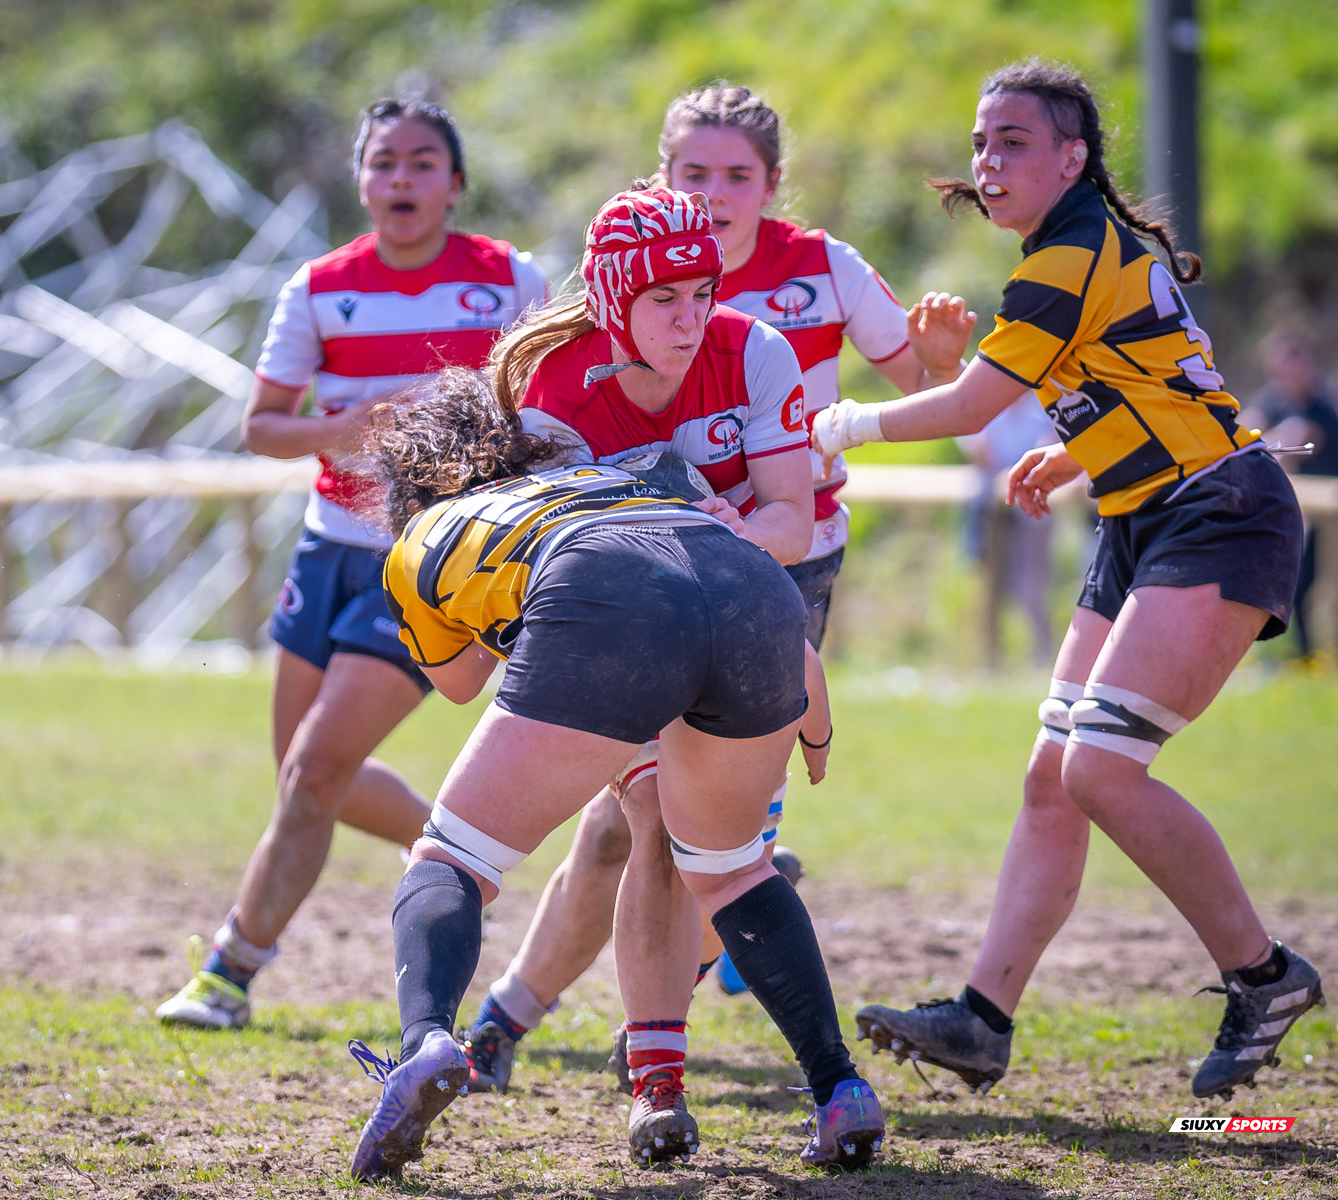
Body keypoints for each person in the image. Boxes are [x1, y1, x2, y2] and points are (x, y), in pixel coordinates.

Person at [810, 58, 1322, 1100]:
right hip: (1147, 515)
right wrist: (1084, 454)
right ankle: (983, 1021)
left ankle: (1265, 975)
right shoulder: (1085, 244)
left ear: (1072, 158)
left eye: (1014, 143)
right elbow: (1166, 371)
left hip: (1218, 515)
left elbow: (964, 408)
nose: (988, 162)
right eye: (980, 143)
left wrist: (835, 427)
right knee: (1055, 775)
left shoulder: (1070, 255)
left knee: (1098, 771)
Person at [460, 81, 979, 1088]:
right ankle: (567, 1027)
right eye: (695, 174)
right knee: (638, 822)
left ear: (773, 187)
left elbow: (926, 388)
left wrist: (935, 368)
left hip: (785, 566)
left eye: (739, 175)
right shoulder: (607, 308)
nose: (718, 192)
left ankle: (616, 1026)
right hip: (654, 580)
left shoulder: (816, 273)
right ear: (664, 183)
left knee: (681, 831)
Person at [345, 365, 882, 1182]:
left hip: (603, 596)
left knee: (452, 855)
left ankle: (424, 1045)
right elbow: (739, 584)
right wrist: (815, 720)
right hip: (758, 594)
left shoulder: (425, 535)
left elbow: (458, 683)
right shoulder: (611, 475)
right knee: (735, 872)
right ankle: (839, 1090)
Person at [156, 98, 547, 1030]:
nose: (401, 179)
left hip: (431, 561)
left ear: (456, 184)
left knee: (314, 772)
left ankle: (229, 970)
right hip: (328, 547)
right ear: (361, 180)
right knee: (305, 774)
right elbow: (261, 425)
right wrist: (336, 428)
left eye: (422, 163)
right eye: (383, 163)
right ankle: (458, 859)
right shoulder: (321, 287)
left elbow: (549, 403)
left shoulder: (508, 282)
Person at [1241, 325, 1338, 659]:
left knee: (1320, 589)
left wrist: (1272, 439)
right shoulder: (1276, 398)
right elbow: (1247, 427)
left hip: (1330, 514)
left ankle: (1317, 657)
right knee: (1298, 585)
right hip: (1300, 510)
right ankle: (1305, 656)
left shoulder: (1323, 406)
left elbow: (1302, 438)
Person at [959, 392, 1058, 667]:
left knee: (1033, 588)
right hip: (992, 517)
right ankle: (991, 658)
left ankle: (1041, 655)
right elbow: (978, 451)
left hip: (1031, 517)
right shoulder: (985, 411)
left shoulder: (1042, 412)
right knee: (990, 587)